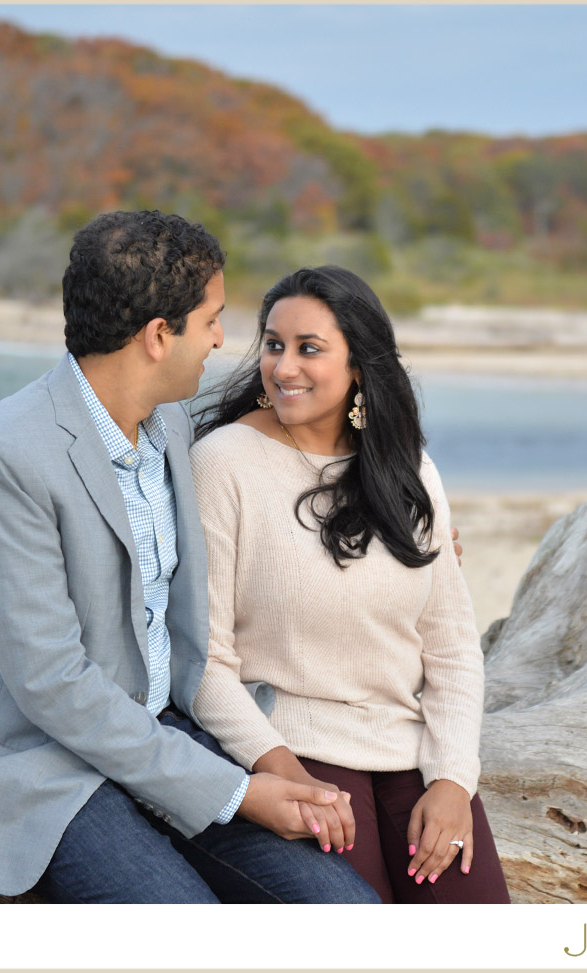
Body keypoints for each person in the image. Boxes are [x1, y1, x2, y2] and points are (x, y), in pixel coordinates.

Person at [0, 212, 378, 904]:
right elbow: (53, 683)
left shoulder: (169, 421)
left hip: (166, 730)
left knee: (347, 911)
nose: (223, 339)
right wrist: (235, 791)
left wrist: (395, 520)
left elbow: (290, 447)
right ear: (158, 336)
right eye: (212, 319)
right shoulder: (6, 455)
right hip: (43, 759)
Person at [187, 265, 511, 903]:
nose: (283, 368)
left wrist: (452, 779)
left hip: (408, 751)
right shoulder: (223, 463)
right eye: (274, 345)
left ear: (360, 365)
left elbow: (450, 646)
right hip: (294, 747)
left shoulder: (409, 470)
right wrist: (278, 771)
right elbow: (203, 660)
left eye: (310, 349)